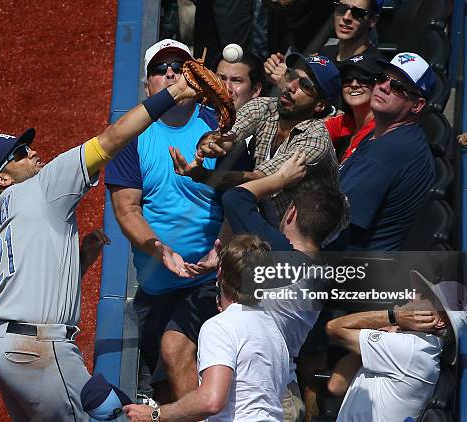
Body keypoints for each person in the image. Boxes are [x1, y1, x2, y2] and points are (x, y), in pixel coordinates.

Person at [0, 68, 197, 421]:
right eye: (19, 153)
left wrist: (78, 262)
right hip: (39, 349)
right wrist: (175, 92)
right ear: (2, 178)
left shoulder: (6, 216)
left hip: (3, 350)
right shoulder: (40, 187)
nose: (32, 153)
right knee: (115, 412)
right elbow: (111, 139)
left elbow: (32, 284)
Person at [105, 39, 223, 402]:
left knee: (176, 353)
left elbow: (239, 197)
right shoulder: (131, 136)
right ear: (147, 86)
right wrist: (160, 250)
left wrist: (224, 248)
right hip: (155, 285)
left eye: (178, 66)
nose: (170, 73)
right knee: (159, 385)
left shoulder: (217, 125)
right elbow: (127, 209)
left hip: (213, 279)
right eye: (160, 68)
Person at [222, 154, 347, 422]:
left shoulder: (282, 256)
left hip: (267, 399)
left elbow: (235, 198)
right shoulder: (320, 272)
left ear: (291, 213)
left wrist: (278, 179)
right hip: (280, 392)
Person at [123, 234, 292, 422]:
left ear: (219, 274)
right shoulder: (275, 332)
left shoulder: (221, 326)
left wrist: (156, 414)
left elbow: (211, 401)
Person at [174, 53, 341, 225]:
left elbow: (259, 179)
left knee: (236, 198)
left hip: (314, 238)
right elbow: (228, 135)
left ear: (320, 105)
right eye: (291, 75)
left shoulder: (316, 138)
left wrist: (202, 175)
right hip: (271, 221)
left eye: (305, 85)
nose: (290, 86)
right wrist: (213, 144)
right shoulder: (262, 107)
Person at [326, 270, 467, 421]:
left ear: (439, 320)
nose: (411, 296)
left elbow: (333, 328)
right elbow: (336, 385)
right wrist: (382, 332)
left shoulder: (411, 349)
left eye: (425, 297)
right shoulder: (408, 345)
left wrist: (395, 316)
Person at [337, 52, 436, 250]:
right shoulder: (389, 134)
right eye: (382, 78)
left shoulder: (390, 151)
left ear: (417, 105)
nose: (384, 86)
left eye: (398, 87)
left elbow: (329, 220)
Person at [325, 54, 380, 162]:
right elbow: (312, 139)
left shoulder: (380, 130)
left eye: (364, 78)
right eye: (347, 79)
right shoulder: (344, 121)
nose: (354, 84)